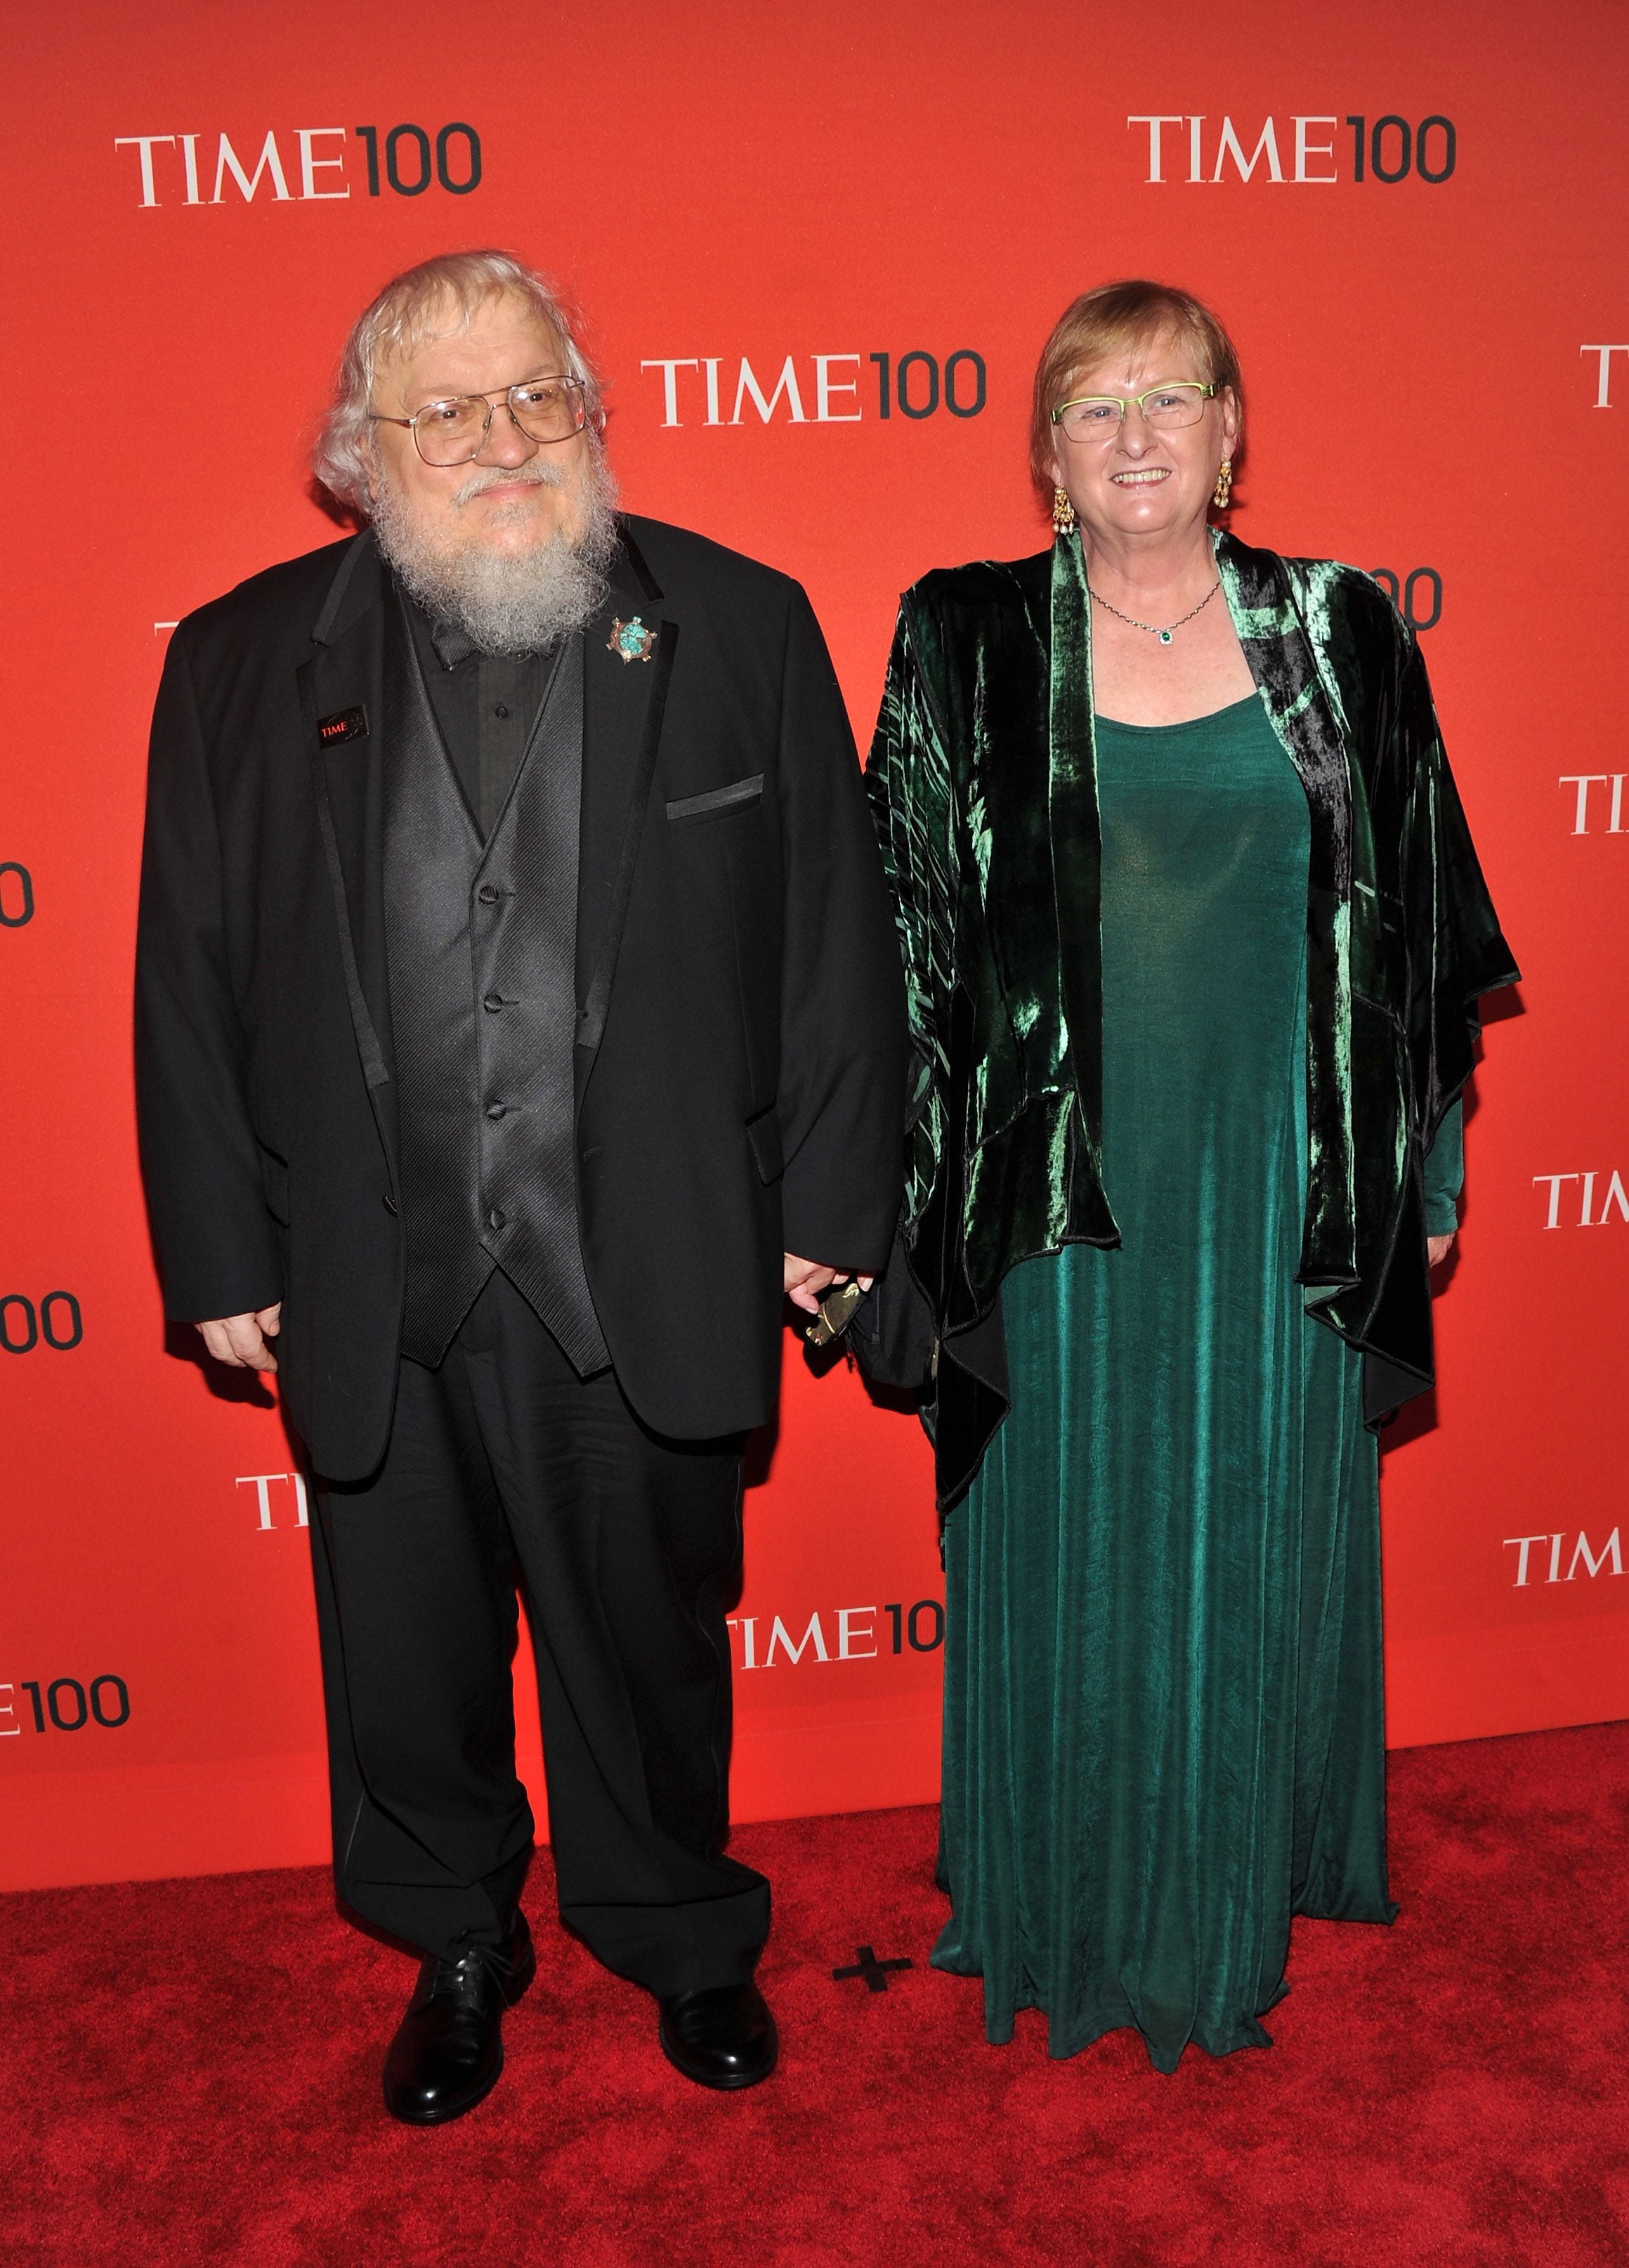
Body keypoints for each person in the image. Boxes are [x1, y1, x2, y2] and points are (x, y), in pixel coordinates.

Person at [135, 249, 905, 2122]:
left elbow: (831, 941)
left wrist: (825, 1209)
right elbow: (189, 962)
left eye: (532, 397)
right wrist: (225, 1238)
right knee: (404, 1654)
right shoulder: (240, 658)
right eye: (445, 411)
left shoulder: (737, 623)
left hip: (638, 1245)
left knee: (647, 1638)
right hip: (369, 1264)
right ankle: (456, 1931)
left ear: (594, 413)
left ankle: (681, 1930)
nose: (498, 440)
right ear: (363, 456)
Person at [859, 279, 1517, 2071]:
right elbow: (900, 942)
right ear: (1044, 454)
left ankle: (1215, 1908)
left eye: (1171, 398)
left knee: (1242, 1539)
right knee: (1059, 1538)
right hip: (1050, 1185)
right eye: (1093, 405)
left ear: (1232, 433)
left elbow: (1416, 934)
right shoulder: (962, 636)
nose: (1135, 435)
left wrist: (1427, 1164)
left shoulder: (1341, 631)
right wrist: (868, 1211)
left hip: (1276, 1191)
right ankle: (1052, 1902)